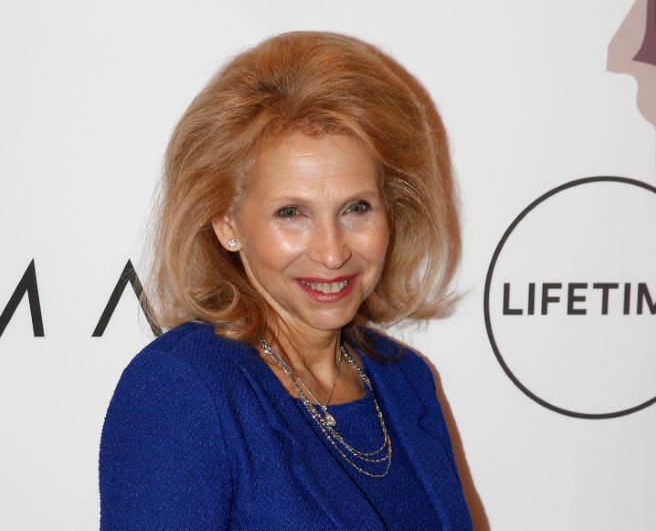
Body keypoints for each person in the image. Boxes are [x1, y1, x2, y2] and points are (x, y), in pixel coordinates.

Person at [99, 31, 473, 530]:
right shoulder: (183, 391)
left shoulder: (405, 380)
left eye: (356, 208)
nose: (333, 250)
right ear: (226, 223)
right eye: (291, 213)